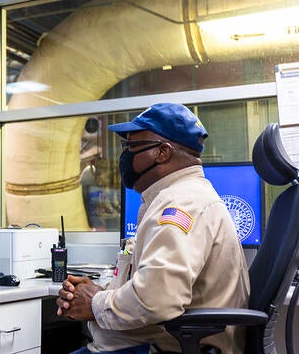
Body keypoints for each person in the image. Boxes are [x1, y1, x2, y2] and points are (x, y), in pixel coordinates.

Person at [56, 103, 249, 354]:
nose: (124, 156)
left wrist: (94, 303)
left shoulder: (181, 205)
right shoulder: (174, 197)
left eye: (130, 148)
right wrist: (96, 293)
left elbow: (157, 299)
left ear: (163, 152)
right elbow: (153, 283)